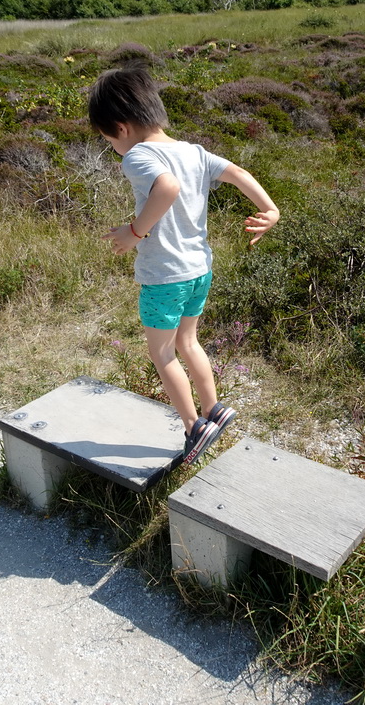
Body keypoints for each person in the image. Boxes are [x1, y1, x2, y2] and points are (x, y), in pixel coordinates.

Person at [89, 63, 280, 465]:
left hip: (164, 277)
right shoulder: (194, 152)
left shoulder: (139, 155)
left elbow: (167, 187)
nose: (114, 149)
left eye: (109, 140)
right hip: (199, 271)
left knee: (163, 354)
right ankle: (214, 409)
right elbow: (239, 173)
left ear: (121, 128)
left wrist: (134, 232)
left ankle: (194, 427)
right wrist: (270, 209)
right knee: (189, 342)